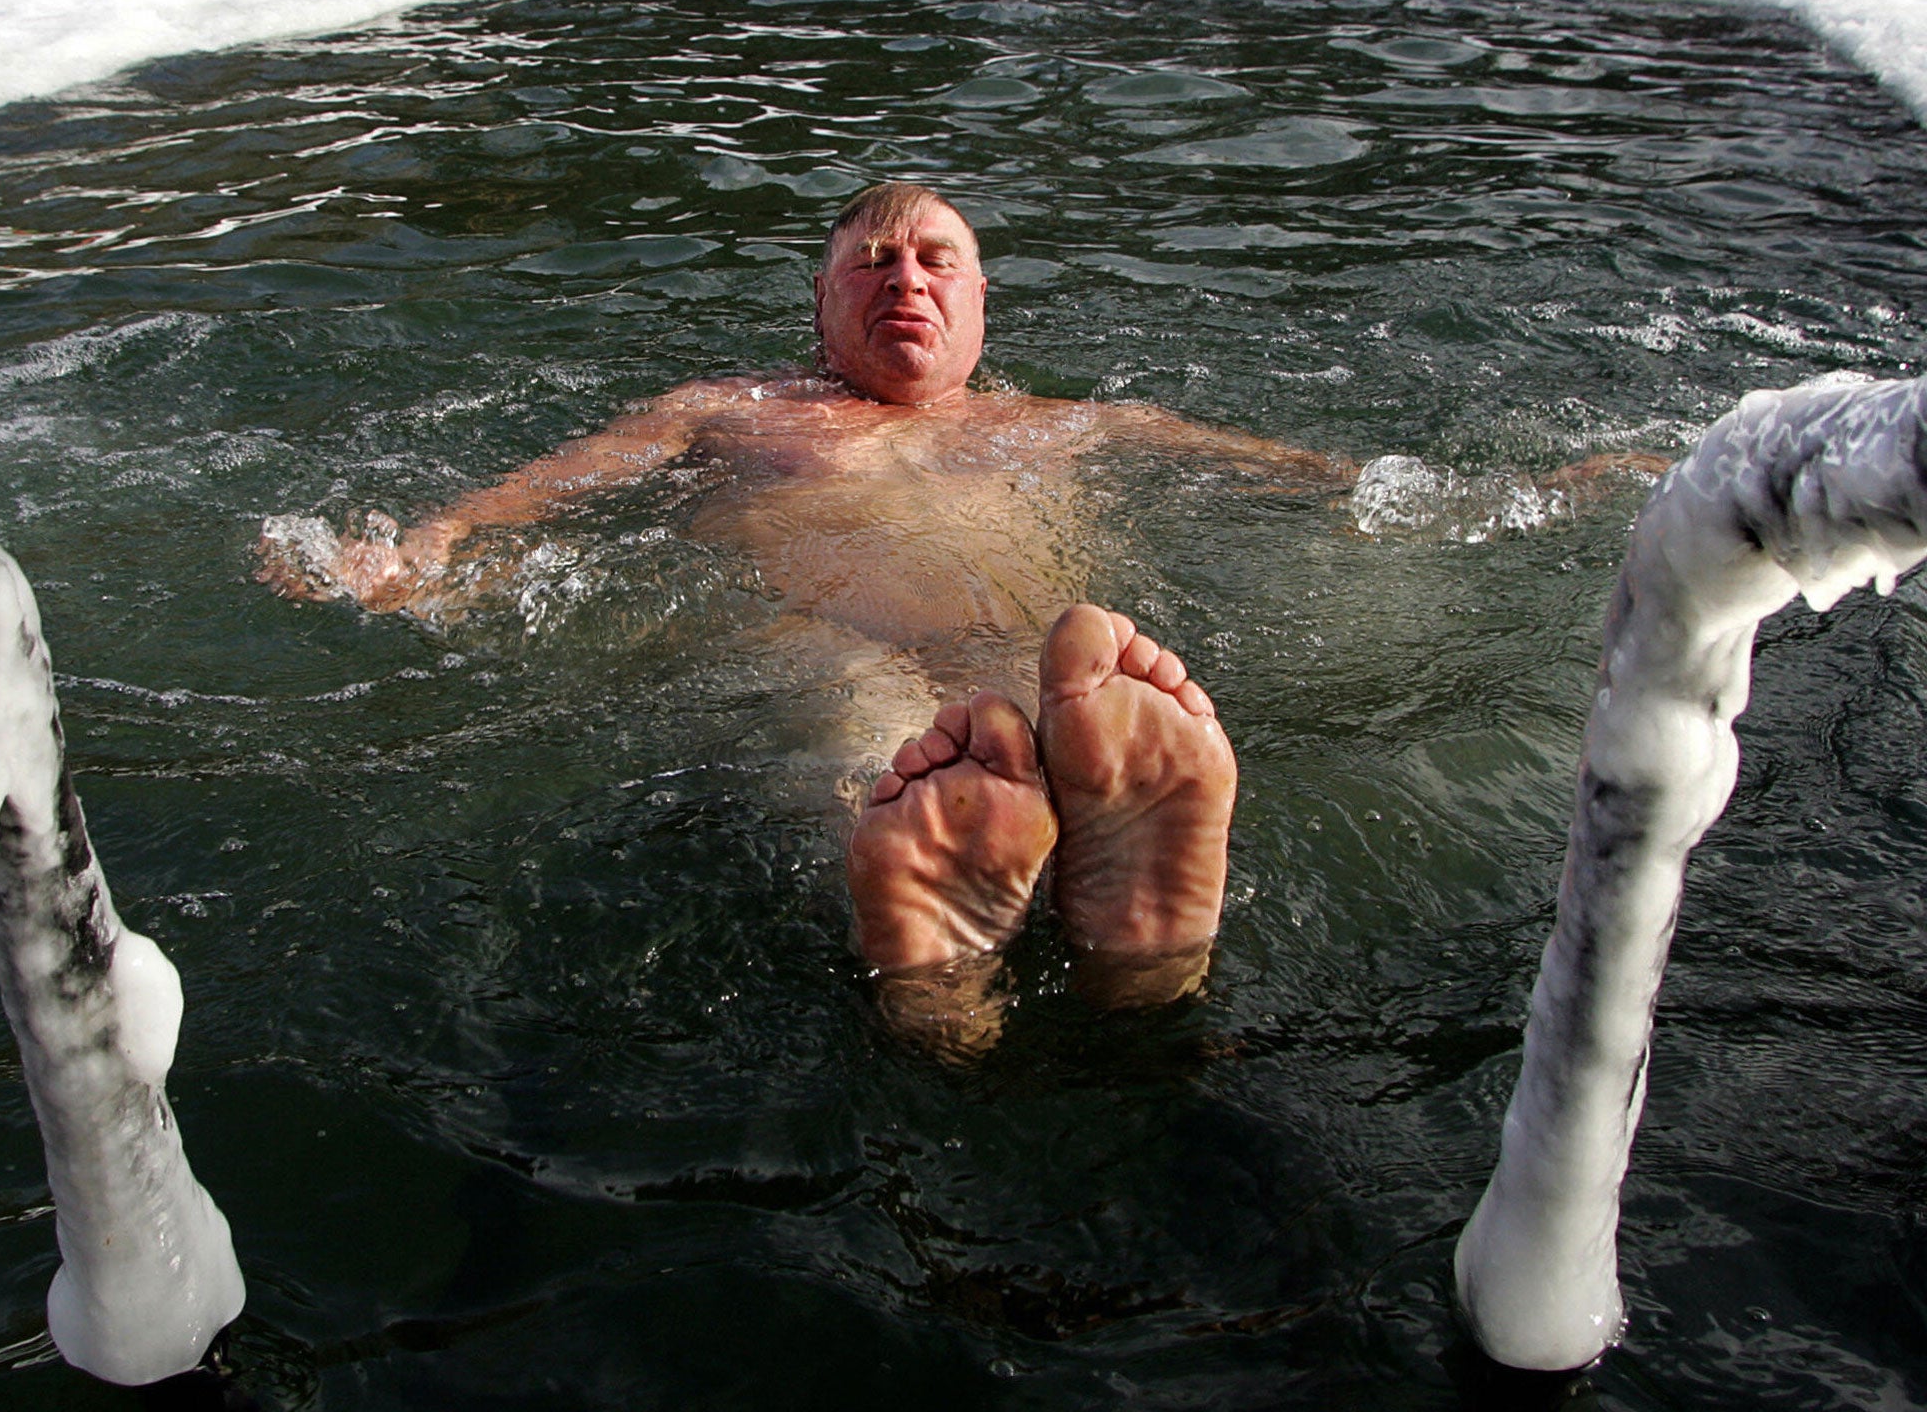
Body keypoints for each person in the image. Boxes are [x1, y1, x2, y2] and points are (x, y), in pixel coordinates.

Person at [259, 182, 1657, 1055]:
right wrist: (421, 547)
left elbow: (1321, 484)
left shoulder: (1080, 425)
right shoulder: (726, 413)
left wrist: (1530, 491)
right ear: (820, 305)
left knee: (1054, 696)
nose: (903, 279)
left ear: (985, 304)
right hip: (807, 632)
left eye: (934, 261)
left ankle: (1073, 946)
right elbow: (537, 495)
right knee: (850, 716)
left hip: (1012, 656)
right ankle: (992, 970)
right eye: (869, 262)